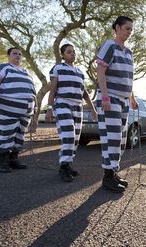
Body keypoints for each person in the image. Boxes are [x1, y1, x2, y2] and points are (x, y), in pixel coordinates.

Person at [96, 16, 137, 192]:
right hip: (110, 97)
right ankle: (107, 177)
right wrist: (105, 96)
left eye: (131, 29)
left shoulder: (128, 53)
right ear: (118, 28)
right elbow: (100, 70)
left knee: (120, 139)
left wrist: (132, 97)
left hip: (123, 100)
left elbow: (129, 78)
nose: (129, 32)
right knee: (111, 138)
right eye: (127, 28)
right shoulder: (109, 46)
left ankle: (113, 172)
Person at [46, 43, 97, 182]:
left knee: (75, 138)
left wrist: (92, 108)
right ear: (63, 55)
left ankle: (68, 164)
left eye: (74, 51)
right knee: (68, 135)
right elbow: (53, 89)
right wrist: (49, 108)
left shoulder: (80, 72)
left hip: (77, 106)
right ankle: (63, 167)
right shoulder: (58, 68)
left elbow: (84, 92)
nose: (72, 54)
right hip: (63, 103)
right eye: (69, 52)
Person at [0, 47, 37, 173]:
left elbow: (33, 91)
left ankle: (13, 159)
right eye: (15, 53)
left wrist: (35, 106)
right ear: (8, 55)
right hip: (7, 107)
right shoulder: (3, 67)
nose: (18, 56)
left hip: (26, 110)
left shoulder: (26, 72)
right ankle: (2, 161)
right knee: (6, 134)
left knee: (20, 135)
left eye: (20, 54)